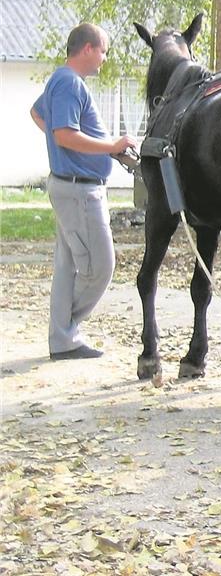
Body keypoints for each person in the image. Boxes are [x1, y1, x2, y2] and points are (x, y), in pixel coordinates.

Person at [30, 23, 135, 360]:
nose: (104, 59)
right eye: (103, 51)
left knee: (68, 267)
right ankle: (64, 332)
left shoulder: (62, 81)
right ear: (87, 49)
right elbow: (63, 134)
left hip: (71, 186)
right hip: (78, 191)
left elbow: (37, 114)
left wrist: (94, 150)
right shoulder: (68, 83)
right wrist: (112, 144)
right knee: (101, 266)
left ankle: (63, 339)